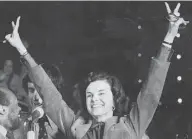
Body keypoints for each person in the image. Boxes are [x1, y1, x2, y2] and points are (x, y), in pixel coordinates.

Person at [4, 2, 189, 139]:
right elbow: (48, 92)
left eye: (101, 93)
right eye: (89, 95)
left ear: (114, 100)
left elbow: (151, 92)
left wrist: (168, 39)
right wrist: (22, 50)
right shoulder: (75, 127)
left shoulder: (131, 125)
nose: (95, 99)